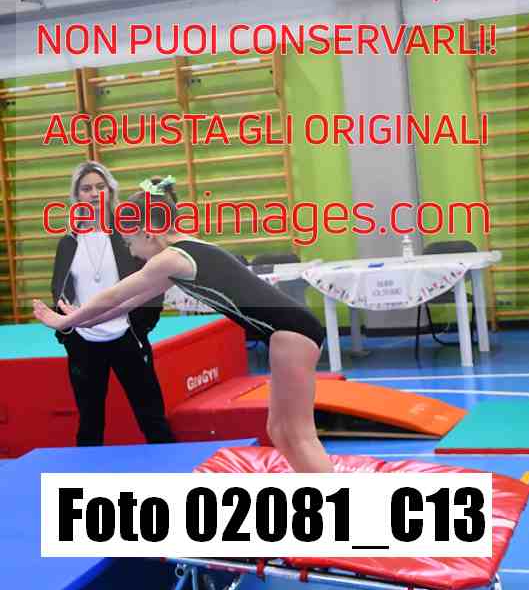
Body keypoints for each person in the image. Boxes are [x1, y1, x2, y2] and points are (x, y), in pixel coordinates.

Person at [36, 175, 333, 473]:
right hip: (287, 332)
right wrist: (78, 321)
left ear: (148, 233)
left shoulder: (170, 259)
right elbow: (125, 305)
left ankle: (333, 497)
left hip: (291, 332)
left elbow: (114, 295)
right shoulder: (182, 254)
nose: (131, 252)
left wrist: (66, 319)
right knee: (280, 430)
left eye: (130, 242)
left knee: (298, 434)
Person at [50, 161, 174, 446]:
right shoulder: (68, 242)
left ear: (110, 190)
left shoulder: (128, 234)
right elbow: (59, 289)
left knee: (152, 417)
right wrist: (69, 332)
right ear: (77, 195)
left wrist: (141, 326)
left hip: (127, 337)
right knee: (89, 423)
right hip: (84, 342)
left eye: (100, 187)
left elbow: (153, 279)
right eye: (86, 189)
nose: (94, 194)